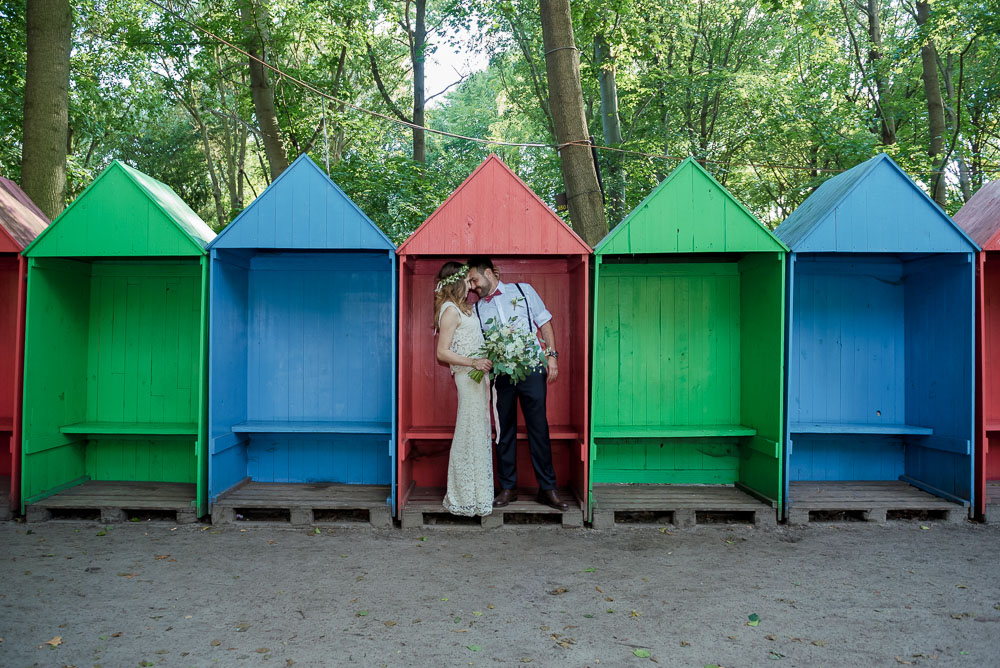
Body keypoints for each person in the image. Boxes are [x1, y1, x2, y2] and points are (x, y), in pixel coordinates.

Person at [466, 256, 568, 511]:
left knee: (538, 428)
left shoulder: (523, 291)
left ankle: (547, 489)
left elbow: (544, 323)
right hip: (501, 377)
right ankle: (508, 487)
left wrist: (551, 357)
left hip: (533, 369)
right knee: (504, 432)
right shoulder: (477, 309)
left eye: (475, 280)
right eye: (470, 283)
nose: (473, 287)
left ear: (489, 273)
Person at [434, 261, 495, 517]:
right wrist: (474, 362)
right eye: (467, 281)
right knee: (467, 434)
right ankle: (462, 496)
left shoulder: (466, 308)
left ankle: (479, 495)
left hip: (478, 378)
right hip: (467, 377)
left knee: (478, 434)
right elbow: (442, 352)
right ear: (455, 281)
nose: (472, 286)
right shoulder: (449, 310)